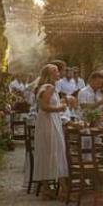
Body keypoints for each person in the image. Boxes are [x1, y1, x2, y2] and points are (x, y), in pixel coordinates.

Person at [33, 64, 69, 199]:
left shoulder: (45, 87)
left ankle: (47, 188)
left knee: (48, 151)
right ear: (49, 75)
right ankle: (63, 189)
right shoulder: (49, 87)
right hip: (49, 122)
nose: (58, 73)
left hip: (47, 121)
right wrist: (60, 108)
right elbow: (44, 107)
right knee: (56, 150)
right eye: (55, 71)